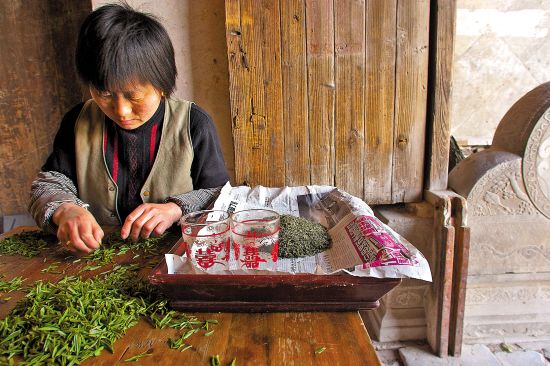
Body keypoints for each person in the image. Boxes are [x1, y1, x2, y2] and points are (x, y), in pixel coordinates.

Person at [28, 3, 229, 253]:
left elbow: (220, 196)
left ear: (162, 84)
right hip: (95, 261)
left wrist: (175, 208)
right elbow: (49, 184)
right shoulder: (78, 121)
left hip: (171, 257)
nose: (121, 111)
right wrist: (65, 209)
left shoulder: (193, 123)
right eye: (105, 94)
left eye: (134, 96)